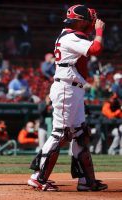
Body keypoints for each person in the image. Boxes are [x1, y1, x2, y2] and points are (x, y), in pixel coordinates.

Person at [27, 5, 107, 191]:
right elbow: (96, 49)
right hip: (66, 88)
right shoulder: (71, 37)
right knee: (60, 133)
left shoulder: (71, 35)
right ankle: (38, 177)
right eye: (88, 20)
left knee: (80, 133)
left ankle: (86, 181)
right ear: (79, 20)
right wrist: (99, 30)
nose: (91, 23)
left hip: (74, 89)